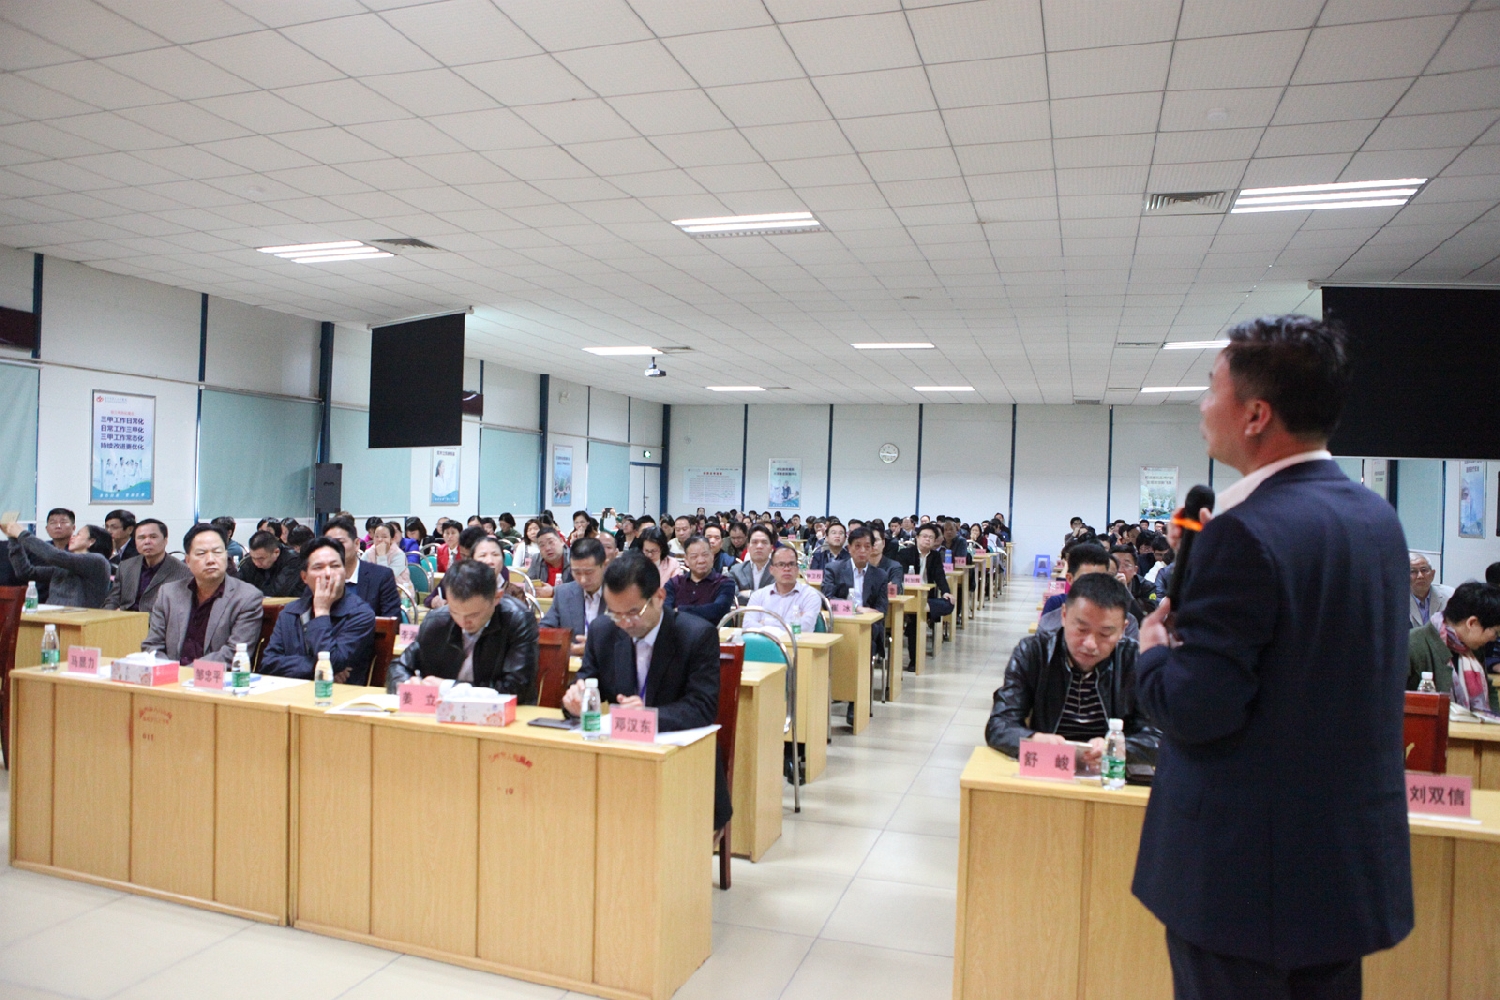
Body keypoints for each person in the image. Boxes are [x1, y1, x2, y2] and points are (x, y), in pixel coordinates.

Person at [1134, 315, 1412, 998]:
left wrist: (1153, 654)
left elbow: (1197, 707)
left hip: (1245, 880)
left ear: (1256, 415)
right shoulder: (1376, 519)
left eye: (1212, 389)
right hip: (1342, 871)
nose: (1202, 405)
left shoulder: (1244, 535)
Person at [563, 552, 729, 828]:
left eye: (633, 612)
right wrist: (575, 699)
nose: (624, 622)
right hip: (619, 761)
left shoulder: (696, 635)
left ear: (659, 597)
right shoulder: (604, 630)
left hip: (682, 767)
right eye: (615, 613)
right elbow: (586, 680)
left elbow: (702, 707)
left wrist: (648, 715)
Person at [986, 573, 1160, 766]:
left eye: (1105, 633)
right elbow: (1000, 724)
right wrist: (1033, 739)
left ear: (1122, 629)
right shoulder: (1034, 653)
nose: (1090, 644)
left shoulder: (1134, 660)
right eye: (1081, 629)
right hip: (1047, 767)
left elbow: (1157, 736)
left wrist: (1120, 748)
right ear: (1064, 615)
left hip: (1112, 773)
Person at [389, 557, 538, 698]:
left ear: (497, 597)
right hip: (439, 711)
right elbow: (399, 665)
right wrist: (406, 684)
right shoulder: (436, 620)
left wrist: (448, 687)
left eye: (474, 614)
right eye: (454, 612)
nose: (463, 621)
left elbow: (516, 687)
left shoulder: (517, 620)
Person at [260, 537, 377, 684]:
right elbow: (268, 664)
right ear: (304, 577)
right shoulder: (290, 612)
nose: (328, 573)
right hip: (292, 692)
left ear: (345, 572)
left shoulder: (360, 614)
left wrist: (322, 611)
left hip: (339, 695)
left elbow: (332, 661)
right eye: (318, 567)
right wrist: (315, 667)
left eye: (335, 566)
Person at [143, 524, 263, 663]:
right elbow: (152, 645)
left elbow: (234, 653)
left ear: (226, 556)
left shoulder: (247, 597)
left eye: (217, 552)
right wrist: (168, 670)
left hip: (215, 676)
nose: (211, 560)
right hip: (170, 674)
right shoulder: (168, 593)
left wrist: (185, 672)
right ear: (188, 561)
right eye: (201, 553)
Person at [1407, 581, 1500, 717]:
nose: (1494, 638)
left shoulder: (1472, 648)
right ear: (1472, 623)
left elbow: (1488, 688)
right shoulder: (1412, 645)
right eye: (1495, 632)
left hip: (1472, 728)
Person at [4, 518, 113, 608]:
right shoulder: (66, 566)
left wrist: (22, 534)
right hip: (52, 617)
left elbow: (53, 555)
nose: (72, 537)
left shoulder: (98, 561)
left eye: (78, 535)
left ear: (91, 541)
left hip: (78, 620)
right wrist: (13, 540)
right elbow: (26, 572)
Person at [896, 523, 953, 668]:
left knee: (949, 604)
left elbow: (940, 576)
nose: (927, 540)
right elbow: (899, 577)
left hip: (927, 597)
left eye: (931, 537)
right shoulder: (905, 553)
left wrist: (946, 592)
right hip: (908, 596)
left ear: (935, 541)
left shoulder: (935, 556)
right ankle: (914, 662)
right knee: (915, 621)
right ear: (917, 537)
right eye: (925, 536)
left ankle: (923, 607)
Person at [104, 518, 189, 614]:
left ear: (165, 541)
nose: (147, 542)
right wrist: (108, 616)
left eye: (153, 537)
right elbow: (113, 599)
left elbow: (178, 611)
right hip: (123, 619)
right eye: (141, 538)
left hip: (157, 621)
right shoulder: (126, 566)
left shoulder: (182, 571)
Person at [322, 518, 401, 618]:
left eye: (340, 542)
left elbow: (391, 621)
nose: (334, 548)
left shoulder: (381, 577)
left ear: (356, 544)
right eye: (329, 544)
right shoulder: (320, 577)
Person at [541, 537, 606, 656]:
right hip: (572, 662)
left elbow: (628, 639)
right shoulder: (563, 593)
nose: (583, 579)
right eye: (577, 572)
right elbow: (545, 630)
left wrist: (594, 648)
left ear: (604, 565)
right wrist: (563, 646)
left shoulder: (619, 593)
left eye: (589, 572)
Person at [745, 545, 823, 633]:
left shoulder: (810, 595)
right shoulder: (758, 596)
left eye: (791, 564)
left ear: (797, 569)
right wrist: (791, 623)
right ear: (771, 570)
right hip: (764, 642)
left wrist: (765, 622)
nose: (787, 569)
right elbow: (748, 626)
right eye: (781, 564)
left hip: (797, 642)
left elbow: (804, 628)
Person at [664, 535, 736, 625]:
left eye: (705, 555)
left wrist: (680, 610)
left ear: (712, 556)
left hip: (712, 632)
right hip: (678, 632)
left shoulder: (725, 583)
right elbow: (666, 612)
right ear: (686, 560)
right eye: (694, 556)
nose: (701, 561)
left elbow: (717, 610)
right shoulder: (674, 583)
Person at [361, 520, 414, 605]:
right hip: (373, 595)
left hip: (398, 595)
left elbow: (386, 579)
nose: (380, 539)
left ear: (392, 539)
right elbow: (360, 572)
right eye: (376, 536)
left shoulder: (399, 555)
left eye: (384, 537)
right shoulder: (369, 553)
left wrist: (381, 556)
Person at [238, 530, 303, 598]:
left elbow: (277, 593)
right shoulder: (250, 561)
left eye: (261, 559)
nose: (256, 563)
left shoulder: (293, 561)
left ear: (276, 552)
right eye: (253, 558)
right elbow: (238, 586)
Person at [729, 524, 776, 603]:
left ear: (771, 548)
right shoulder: (735, 571)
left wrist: (750, 593)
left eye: (764, 542)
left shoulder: (780, 571)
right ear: (748, 547)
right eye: (754, 542)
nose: (759, 546)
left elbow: (778, 598)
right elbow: (732, 597)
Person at [1408, 552, 1451, 629]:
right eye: (1413, 571)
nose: (1420, 576)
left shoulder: (1450, 596)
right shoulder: (1395, 601)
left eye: (1424, 570)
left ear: (1432, 574)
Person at [527, 526, 571, 596]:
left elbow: (579, 589)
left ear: (561, 541)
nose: (547, 548)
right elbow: (528, 583)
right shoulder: (537, 559)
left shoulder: (573, 559)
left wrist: (554, 591)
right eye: (542, 545)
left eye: (551, 542)